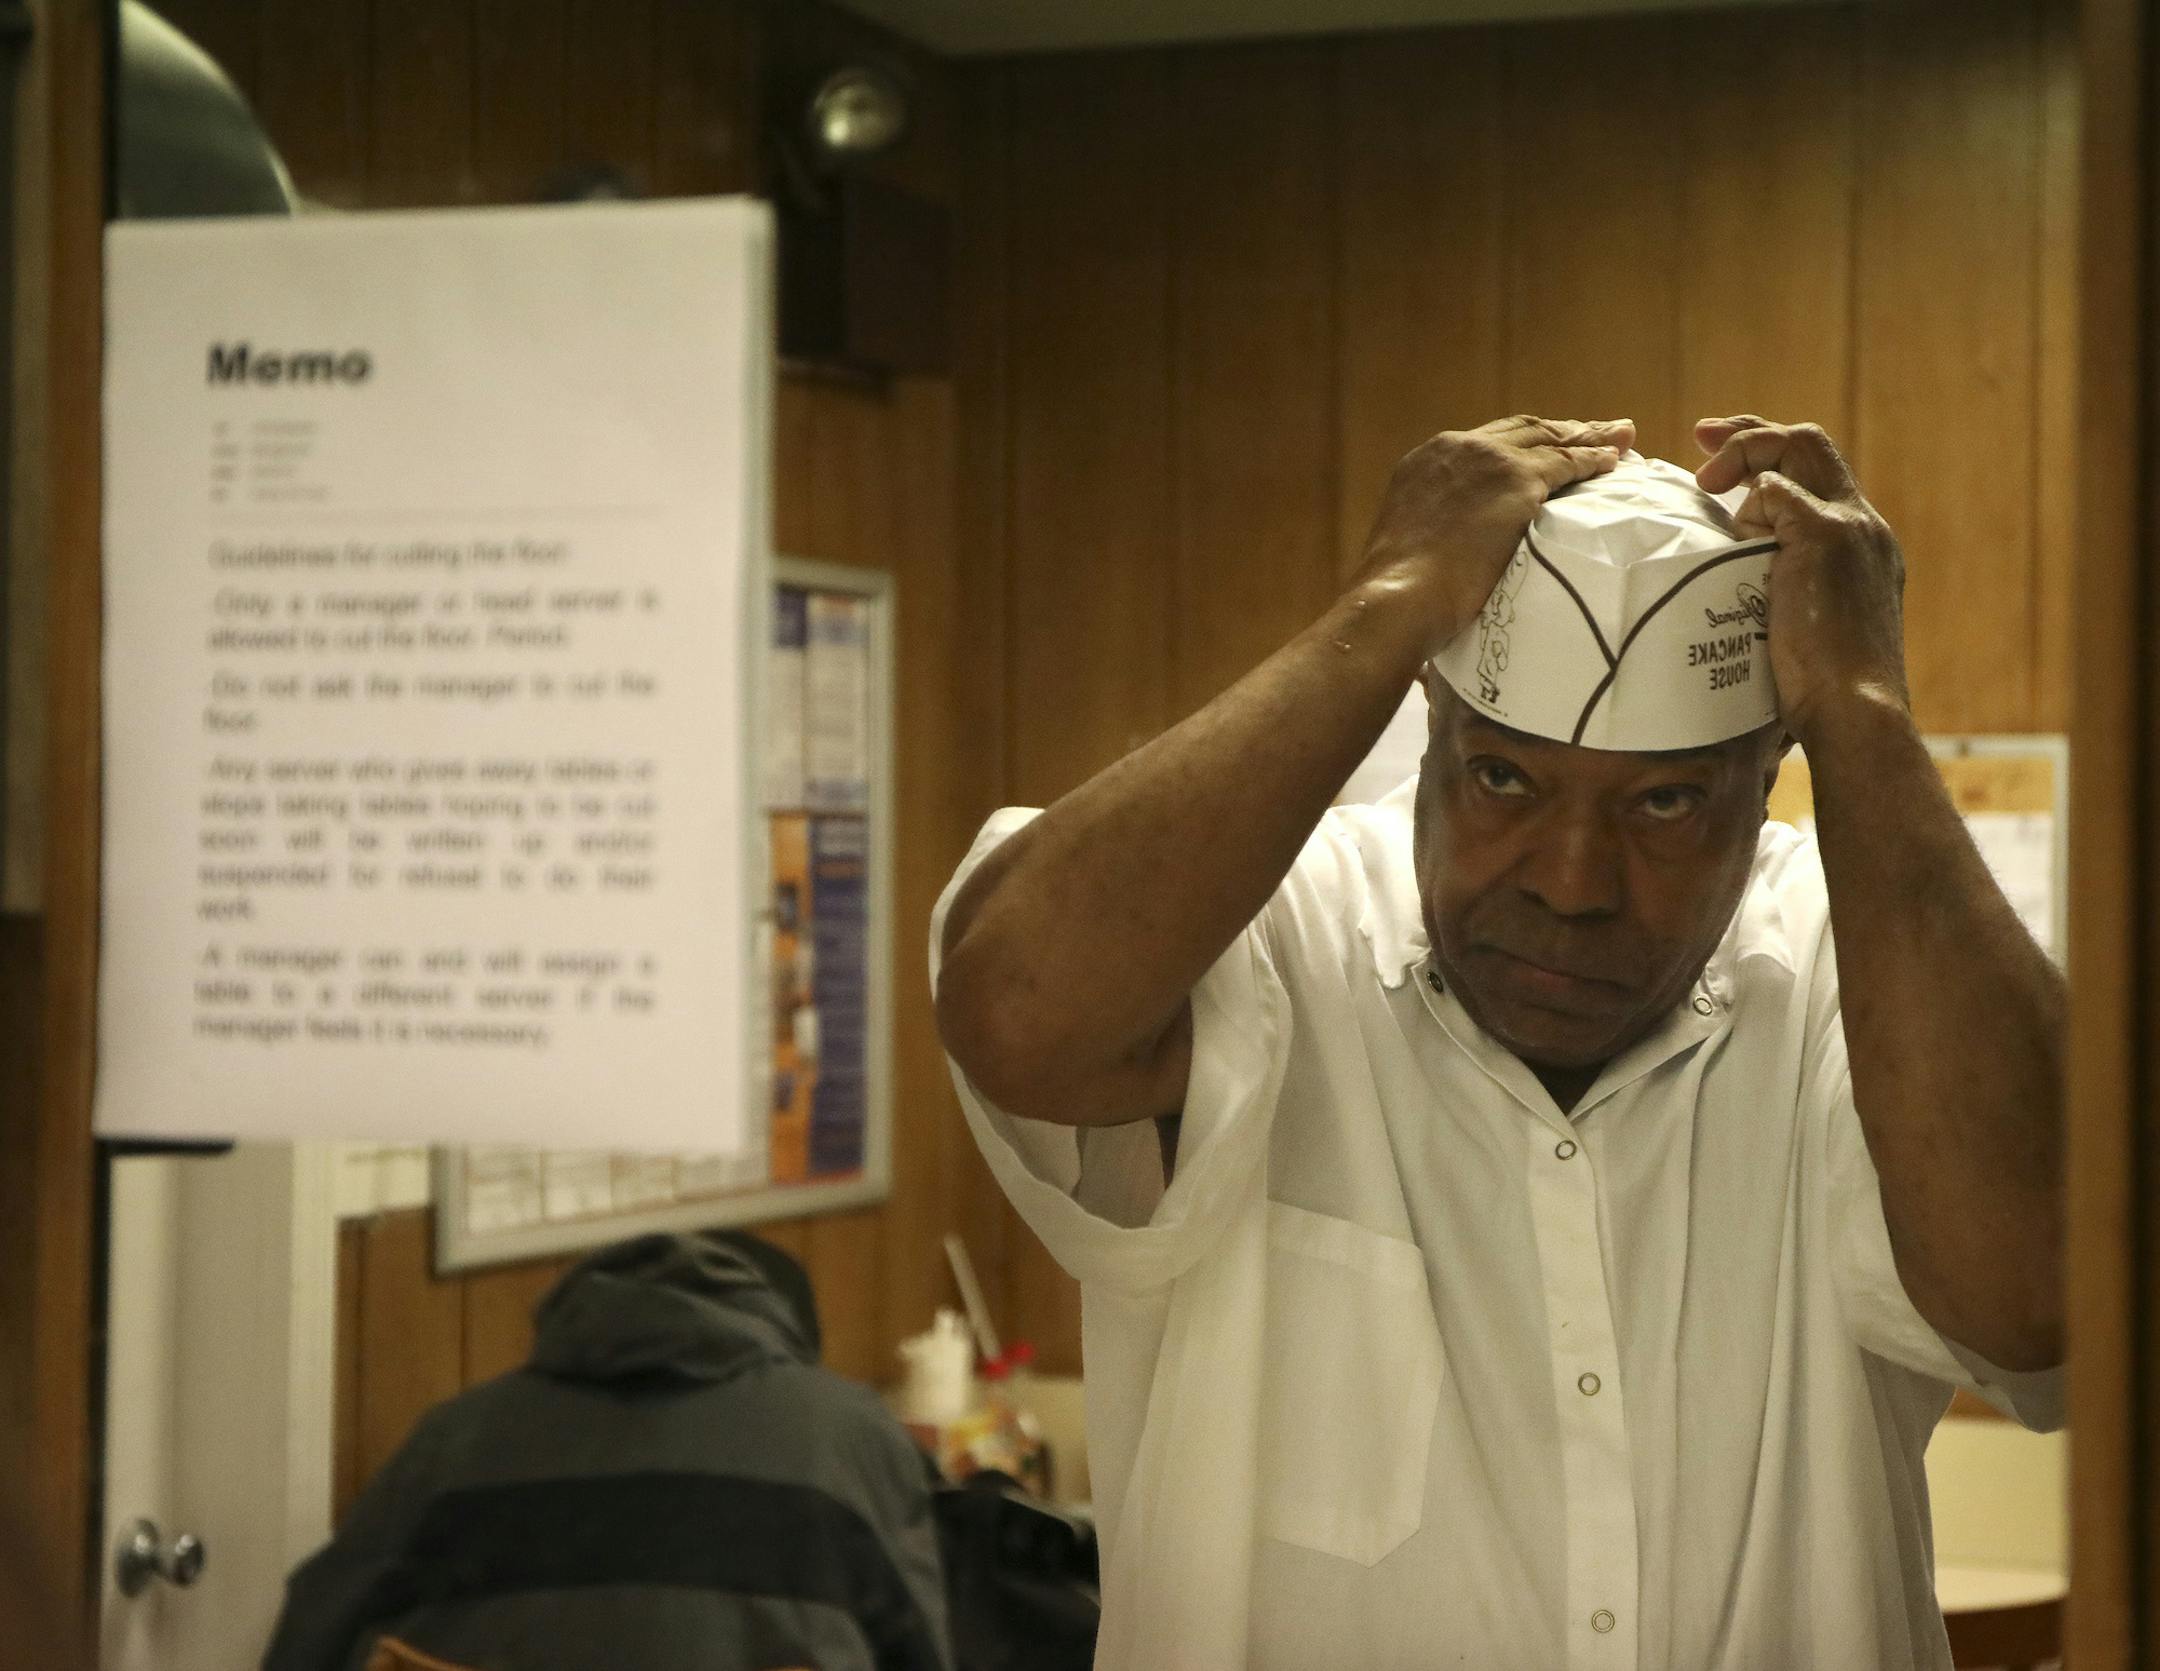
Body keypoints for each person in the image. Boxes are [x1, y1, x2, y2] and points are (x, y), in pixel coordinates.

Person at [932, 415, 2066, 1671]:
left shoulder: (1849, 972)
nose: (1573, 884)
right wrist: (1395, 599)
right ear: (1430, 732)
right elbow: (1015, 1015)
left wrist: (1861, 704)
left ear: (1766, 777)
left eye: (1666, 801)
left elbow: (2042, 1296)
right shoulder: (1275, 931)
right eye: (1503, 782)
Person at [262, 1230, 952, 1671]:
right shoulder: (844, 1435)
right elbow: (921, 1647)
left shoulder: (452, 1438)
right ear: (781, 1334)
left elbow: (311, 1634)